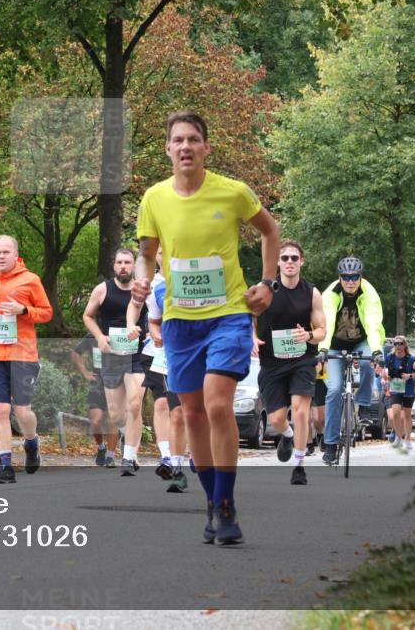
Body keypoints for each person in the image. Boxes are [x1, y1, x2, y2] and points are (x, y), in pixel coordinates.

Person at [132, 110, 280, 545]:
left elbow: (271, 232)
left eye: (193, 139)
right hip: (180, 321)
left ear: (206, 147)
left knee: (217, 406)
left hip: (229, 314)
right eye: (177, 140)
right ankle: (212, 502)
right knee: (192, 413)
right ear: (167, 149)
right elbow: (146, 251)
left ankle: (228, 502)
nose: (185, 147)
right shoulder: (154, 198)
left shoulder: (232, 192)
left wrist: (268, 284)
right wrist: (143, 276)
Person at [0, 235, 53, 483]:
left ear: (16, 255)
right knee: (0, 408)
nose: (2, 256)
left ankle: (31, 441)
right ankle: (5, 466)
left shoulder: (30, 280)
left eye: (6, 252)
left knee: (22, 411)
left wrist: (24, 310)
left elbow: (47, 313)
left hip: (22, 354)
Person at [253, 240, 326, 486]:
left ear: (302, 261)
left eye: (295, 258)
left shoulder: (311, 293)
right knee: (275, 419)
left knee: (301, 409)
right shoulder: (265, 290)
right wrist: (250, 337)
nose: (290, 262)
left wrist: (309, 336)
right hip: (272, 363)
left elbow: (322, 330)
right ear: (278, 262)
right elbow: (246, 317)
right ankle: (287, 434)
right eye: (285, 258)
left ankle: (299, 465)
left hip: (302, 360)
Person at [83, 248, 149, 477]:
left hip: (137, 355)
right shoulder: (103, 290)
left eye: (127, 262)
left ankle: (129, 456)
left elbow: (155, 315)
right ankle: (128, 438)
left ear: (133, 266)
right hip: (111, 356)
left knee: (134, 404)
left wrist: (151, 332)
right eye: (119, 262)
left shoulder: (142, 290)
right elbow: (87, 316)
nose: (123, 266)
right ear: (114, 266)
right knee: (117, 414)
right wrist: (100, 337)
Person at [126, 253, 187, 491]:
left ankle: (191, 455)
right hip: (163, 353)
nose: (167, 255)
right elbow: (144, 312)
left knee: (190, 411)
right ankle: (172, 462)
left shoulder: (195, 277)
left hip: (195, 351)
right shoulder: (153, 284)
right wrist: (139, 327)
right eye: (161, 251)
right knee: (168, 408)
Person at [316, 257, 386, 465]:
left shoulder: (370, 294)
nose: (350, 281)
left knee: (366, 363)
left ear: (360, 277)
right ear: (340, 278)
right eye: (346, 277)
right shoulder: (330, 294)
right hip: (335, 344)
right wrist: (323, 349)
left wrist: (376, 351)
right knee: (335, 390)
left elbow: (373, 323)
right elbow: (326, 321)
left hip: (361, 341)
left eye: (355, 277)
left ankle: (363, 404)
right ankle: (330, 444)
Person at [71, 333, 112, 465]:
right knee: (96, 421)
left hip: (115, 382)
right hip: (97, 383)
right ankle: (101, 447)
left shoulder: (119, 332)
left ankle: (112, 455)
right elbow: (76, 353)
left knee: (112, 420)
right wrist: (85, 372)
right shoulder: (92, 336)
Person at [382, 335, 415, 451]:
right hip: (395, 389)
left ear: (405, 345)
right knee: (396, 413)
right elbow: (385, 371)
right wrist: (385, 377)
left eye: (400, 343)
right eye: (396, 344)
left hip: (408, 389)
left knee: (407, 415)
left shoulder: (411, 359)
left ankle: (407, 439)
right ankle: (398, 436)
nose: (398, 346)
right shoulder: (389, 358)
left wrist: (409, 376)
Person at [307, 361, 327, 456]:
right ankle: (309, 445)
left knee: (317, 418)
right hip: (303, 377)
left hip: (319, 378)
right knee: (306, 418)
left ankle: (320, 434)